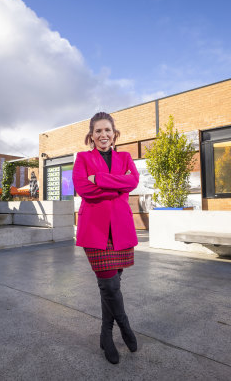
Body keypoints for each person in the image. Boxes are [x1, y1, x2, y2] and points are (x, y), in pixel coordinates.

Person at [72, 111, 139, 364]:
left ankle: (105, 334)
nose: (103, 135)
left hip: (121, 230)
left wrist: (99, 179)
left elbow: (132, 182)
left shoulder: (125, 157)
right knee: (110, 285)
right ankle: (124, 325)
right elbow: (83, 188)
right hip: (95, 231)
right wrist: (116, 185)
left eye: (107, 130)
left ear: (114, 134)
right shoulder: (82, 158)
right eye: (98, 131)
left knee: (110, 288)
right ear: (91, 135)